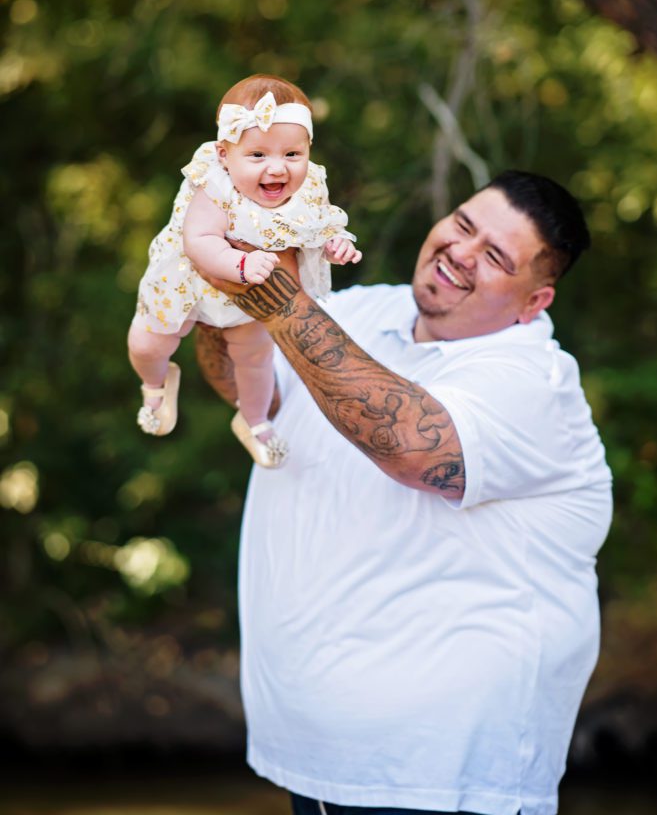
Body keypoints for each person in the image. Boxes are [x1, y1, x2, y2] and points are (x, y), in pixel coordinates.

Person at [195, 170, 613, 815]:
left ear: (535, 302)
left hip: (443, 777)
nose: (461, 252)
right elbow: (255, 393)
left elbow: (413, 449)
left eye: (496, 256)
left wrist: (274, 292)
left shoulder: (535, 382)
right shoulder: (367, 310)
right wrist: (215, 288)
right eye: (464, 225)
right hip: (321, 760)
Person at [127, 73, 361, 467]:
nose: (277, 169)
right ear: (224, 155)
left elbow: (317, 229)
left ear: (308, 151)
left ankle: (254, 422)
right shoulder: (214, 185)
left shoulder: (310, 189)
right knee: (148, 342)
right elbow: (198, 241)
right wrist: (241, 263)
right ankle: (154, 382)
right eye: (258, 156)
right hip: (187, 280)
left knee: (255, 360)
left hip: (254, 292)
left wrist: (335, 246)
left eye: (292, 155)